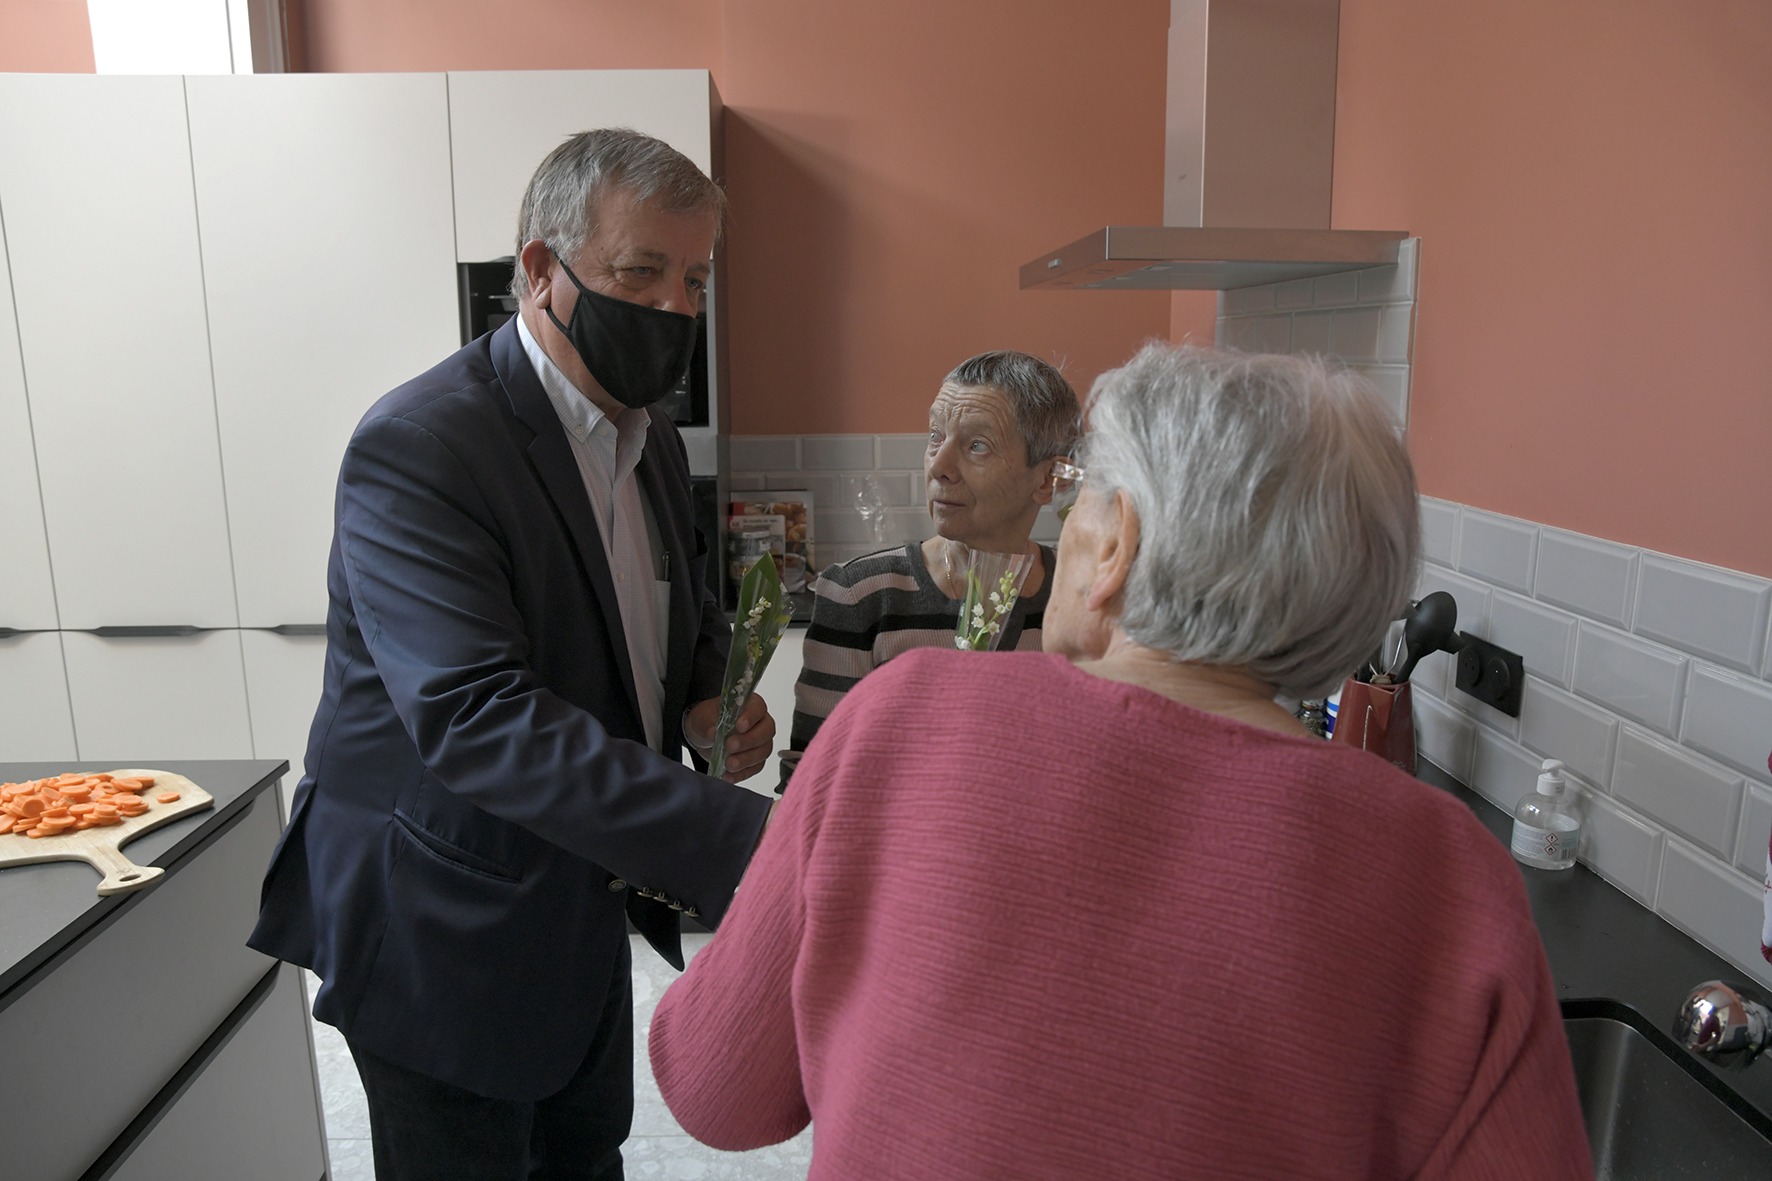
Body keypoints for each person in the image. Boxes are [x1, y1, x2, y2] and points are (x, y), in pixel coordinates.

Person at [649, 344, 1593, 1179]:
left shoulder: (902, 718)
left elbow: (712, 1088)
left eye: (1084, 494)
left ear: (1116, 546)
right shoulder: (1451, 871)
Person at [246, 129, 778, 1181]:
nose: (673, 308)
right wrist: (759, 844)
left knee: (583, 1155)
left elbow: (672, 603)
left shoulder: (651, 438)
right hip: (440, 917)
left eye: (694, 280)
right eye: (641, 271)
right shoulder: (422, 445)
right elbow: (476, 716)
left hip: (580, 895)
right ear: (540, 270)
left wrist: (705, 693)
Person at [778, 349, 1080, 789]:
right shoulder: (859, 594)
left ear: (1048, 480)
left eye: (977, 445)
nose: (939, 466)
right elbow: (809, 786)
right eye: (936, 436)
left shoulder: (1080, 599)